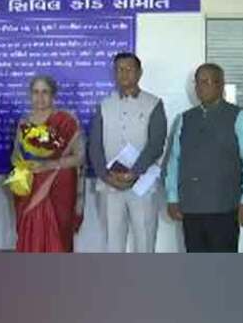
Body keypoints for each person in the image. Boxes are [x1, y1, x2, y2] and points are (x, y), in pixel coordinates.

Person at [164, 64, 243, 252]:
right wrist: (172, 197)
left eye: (206, 82)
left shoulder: (238, 117)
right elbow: (174, 161)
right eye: (198, 82)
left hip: (225, 208)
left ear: (220, 85)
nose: (200, 87)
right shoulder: (184, 119)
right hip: (191, 208)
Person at [89, 52, 167, 253]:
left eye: (129, 69)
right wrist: (106, 176)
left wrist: (135, 172)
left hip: (142, 184)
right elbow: (95, 145)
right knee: (113, 243)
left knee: (145, 240)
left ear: (139, 73)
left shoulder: (154, 103)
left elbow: (157, 143)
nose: (124, 74)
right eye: (119, 69)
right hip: (110, 184)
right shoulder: (104, 105)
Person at [11, 75, 85, 252]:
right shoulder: (24, 123)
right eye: (35, 92)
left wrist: (49, 165)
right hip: (30, 187)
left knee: (58, 235)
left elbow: (79, 157)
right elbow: (15, 156)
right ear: (30, 95)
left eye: (45, 92)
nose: (40, 97)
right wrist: (24, 167)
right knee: (31, 236)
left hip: (59, 189)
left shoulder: (67, 121)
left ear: (53, 95)